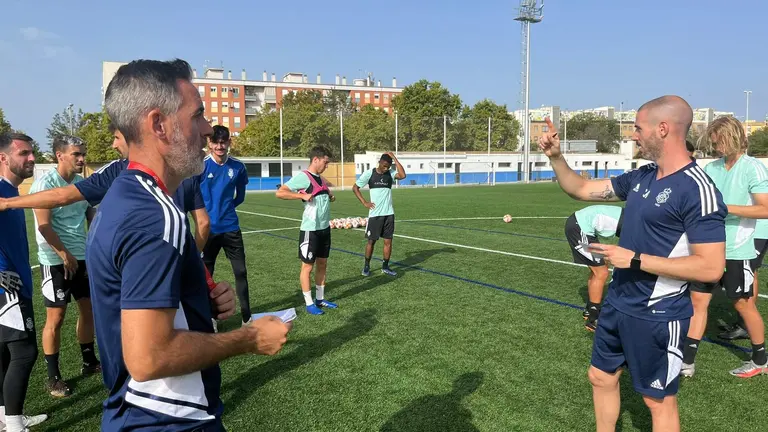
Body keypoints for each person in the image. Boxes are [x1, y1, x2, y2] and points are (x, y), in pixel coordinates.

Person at [88, 58, 289, 431]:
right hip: (166, 419)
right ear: (158, 125)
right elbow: (149, 356)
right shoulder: (153, 215)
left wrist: (194, 298)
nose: (207, 129)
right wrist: (246, 339)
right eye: (197, 115)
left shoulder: (128, 196)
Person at [540, 95, 726, 432]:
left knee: (657, 400)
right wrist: (556, 158)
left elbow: (711, 268)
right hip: (618, 303)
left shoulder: (698, 189)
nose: (633, 136)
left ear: (663, 129)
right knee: (599, 376)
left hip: (658, 313)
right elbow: (581, 188)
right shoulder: (642, 177)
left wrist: (635, 259)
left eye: (638, 129)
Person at [0, 125, 211, 252]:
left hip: (142, 265)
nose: (113, 145)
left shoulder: (118, 170)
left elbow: (62, 196)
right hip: (178, 260)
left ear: (133, 137)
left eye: (117, 138)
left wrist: (9, 203)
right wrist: (193, 256)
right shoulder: (184, 170)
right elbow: (202, 222)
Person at [682, 116, 768, 378]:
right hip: (708, 248)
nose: (716, 147)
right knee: (698, 301)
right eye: (713, 142)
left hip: (737, 249)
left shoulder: (753, 168)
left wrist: (725, 208)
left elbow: (765, 209)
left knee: (743, 305)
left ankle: (760, 360)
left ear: (734, 138)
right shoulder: (711, 168)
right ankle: (686, 362)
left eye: (719, 142)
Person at [29, 136, 101, 398]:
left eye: (83, 153)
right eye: (76, 154)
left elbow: (90, 214)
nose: (81, 159)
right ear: (60, 155)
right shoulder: (44, 185)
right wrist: (63, 254)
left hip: (82, 258)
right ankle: (53, 376)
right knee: (56, 318)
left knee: (88, 309)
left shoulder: (82, 185)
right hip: (55, 261)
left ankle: (89, 361)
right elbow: (44, 225)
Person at [0, 133, 48, 432]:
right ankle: (15, 426)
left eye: (32, 153)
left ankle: (5, 417)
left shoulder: (12, 193)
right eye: (23, 154)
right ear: (3, 158)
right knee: (24, 352)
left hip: (12, 282)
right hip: (8, 286)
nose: (31, 158)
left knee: (4, 352)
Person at [276, 146, 337, 315]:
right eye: (325, 162)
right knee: (307, 267)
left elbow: (320, 193)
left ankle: (320, 298)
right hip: (310, 230)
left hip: (324, 228)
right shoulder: (304, 177)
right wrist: (301, 196)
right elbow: (280, 192)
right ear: (316, 160)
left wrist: (330, 196)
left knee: (322, 264)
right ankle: (309, 303)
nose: (327, 166)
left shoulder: (320, 178)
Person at [200, 125, 252, 324]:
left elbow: (240, 197)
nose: (220, 146)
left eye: (224, 142)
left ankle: (246, 319)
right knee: (206, 276)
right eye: (216, 142)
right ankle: (209, 318)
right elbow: (192, 196)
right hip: (208, 231)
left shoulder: (238, 167)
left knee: (241, 272)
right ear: (210, 143)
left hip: (231, 228)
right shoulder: (201, 166)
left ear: (229, 142)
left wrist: (227, 208)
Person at [564, 205, 624, 332]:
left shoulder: (632, 218)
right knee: (601, 272)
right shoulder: (633, 223)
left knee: (598, 269)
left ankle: (590, 309)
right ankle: (593, 318)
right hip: (579, 228)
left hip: (581, 226)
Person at [353, 152, 406, 276]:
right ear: (380, 162)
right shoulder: (369, 174)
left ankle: (385, 266)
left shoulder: (390, 174)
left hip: (389, 214)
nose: (386, 168)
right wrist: (364, 202)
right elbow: (355, 187)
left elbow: (403, 175)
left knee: (388, 242)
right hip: (375, 215)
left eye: (388, 166)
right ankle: (366, 266)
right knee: (371, 242)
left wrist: (394, 158)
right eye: (384, 166)